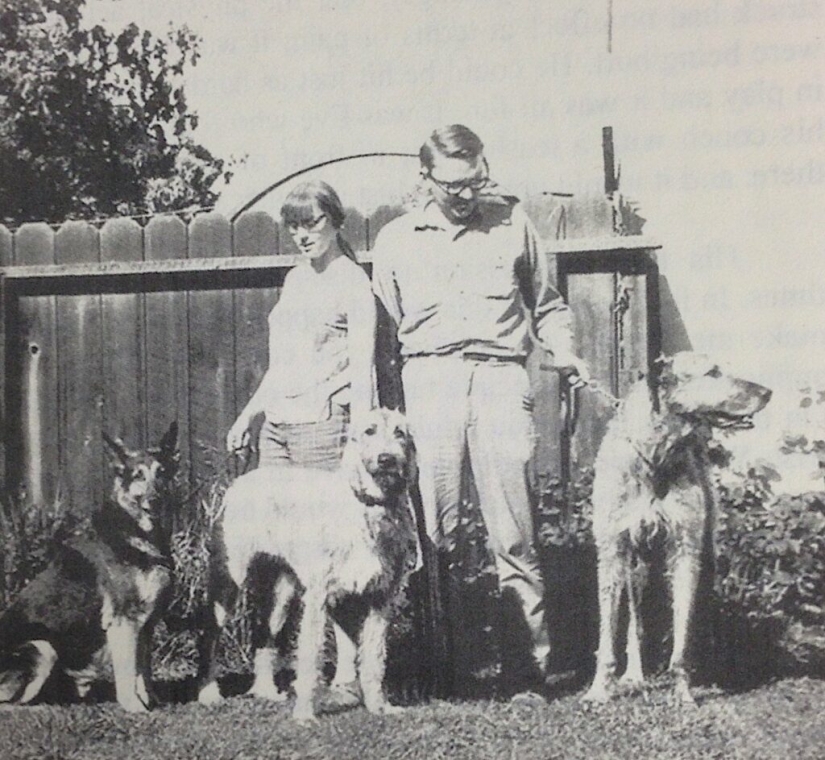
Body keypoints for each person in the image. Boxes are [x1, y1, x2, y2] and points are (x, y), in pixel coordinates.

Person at [371, 124, 588, 696]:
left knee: (513, 534)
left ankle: (526, 675)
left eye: (475, 182)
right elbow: (389, 328)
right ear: (426, 180)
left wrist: (563, 352)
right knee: (432, 534)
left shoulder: (512, 224)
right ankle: (443, 669)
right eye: (452, 187)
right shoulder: (395, 240)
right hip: (430, 381)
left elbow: (548, 305)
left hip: (498, 379)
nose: (466, 196)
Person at [226, 179, 376, 699]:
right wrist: (249, 413)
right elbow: (280, 365)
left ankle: (348, 675)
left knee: (330, 555)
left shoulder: (352, 282)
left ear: (335, 221)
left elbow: (364, 368)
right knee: (271, 558)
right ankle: (265, 675)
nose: (302, 234)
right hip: (279, 430)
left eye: (312, 223)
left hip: (323, 427)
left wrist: (360, 435)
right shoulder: (294, 280)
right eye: (293, 225)